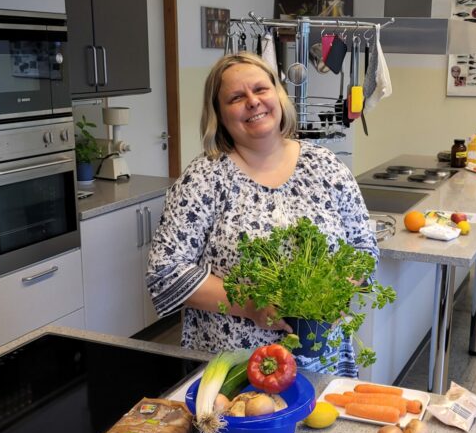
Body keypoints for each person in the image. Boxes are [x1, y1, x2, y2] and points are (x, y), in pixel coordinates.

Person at [146, 52, 377, 377]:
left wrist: (337, 291)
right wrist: (251, 306)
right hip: (236, 372)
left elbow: (364, 248)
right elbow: (165, 273)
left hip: (324, 364)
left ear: (278, 95)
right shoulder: (204, 179)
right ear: (220, 115)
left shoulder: (326, 166)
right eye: (237, 97)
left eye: (260, 89)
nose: (253, 102)